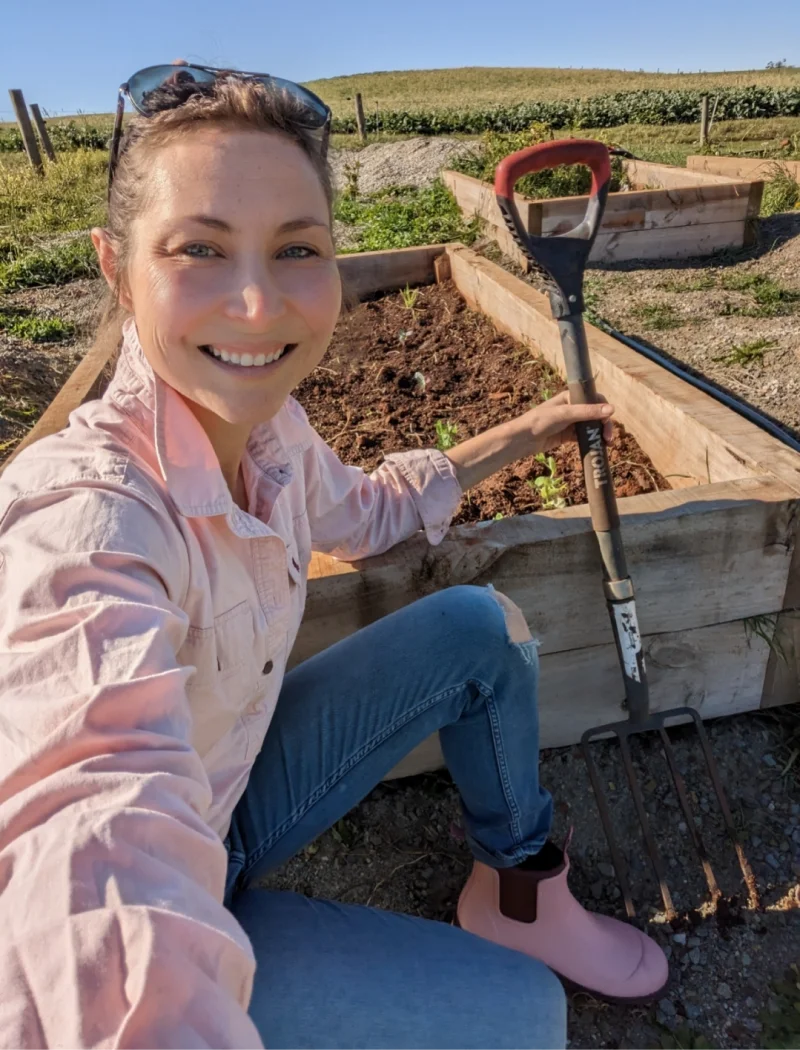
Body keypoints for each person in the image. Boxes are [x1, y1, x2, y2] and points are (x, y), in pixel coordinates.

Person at [0, 70, 668, 1050]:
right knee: (523, 1020)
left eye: (296, 249)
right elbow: (92, 848)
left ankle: (517, 891)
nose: (259, 301)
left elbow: (374, 511)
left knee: (479, 630)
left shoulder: (274, 438)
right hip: (183, 887)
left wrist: (525, 432)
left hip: (230, 795)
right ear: (116, 268)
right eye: (200, 249)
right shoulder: (85, 516)